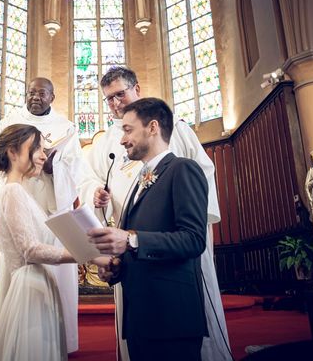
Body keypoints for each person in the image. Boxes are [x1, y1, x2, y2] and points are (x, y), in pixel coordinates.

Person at [83, 66, 230, 360]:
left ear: (136, 88)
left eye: (119, 94)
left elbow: (201, 173)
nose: (114, 103)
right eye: (108, 99)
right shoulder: (103, 143)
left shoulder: (174, 127)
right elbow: (90, 179)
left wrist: (196, 222)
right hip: (131, 249)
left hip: (173, 244)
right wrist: (95, 193)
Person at [0, 77, 89, 354]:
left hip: (50, 203)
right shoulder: (9, 121)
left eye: (42, 93)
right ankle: (15, 336)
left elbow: (76, 171)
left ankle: (51, 340)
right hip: (19, 193)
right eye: (31, 92)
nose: (35, 97)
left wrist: (53, 168)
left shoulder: (67, 128)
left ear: (53, 96)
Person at [0, 124, 108, 361]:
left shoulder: (17, 191)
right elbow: (30, 250)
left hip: (38, 284)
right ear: (13, 151)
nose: (44, 155)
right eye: (37, 148)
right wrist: (87, 255)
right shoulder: (12, 192)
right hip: (29, 287)